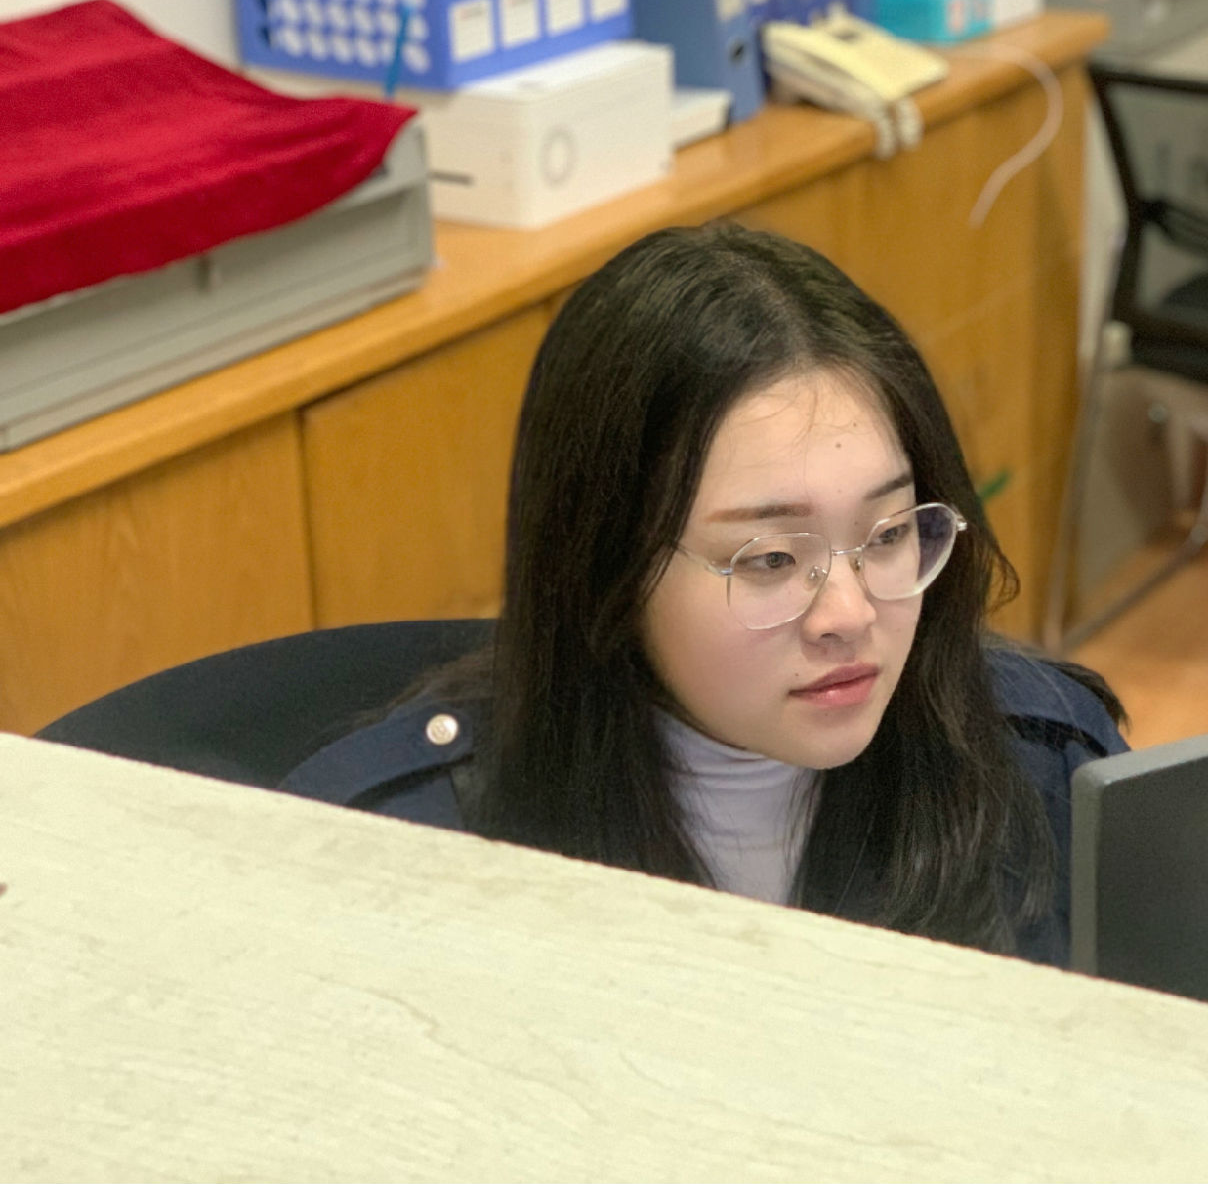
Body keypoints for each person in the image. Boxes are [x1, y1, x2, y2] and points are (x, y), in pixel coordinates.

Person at [282, 222, 1126, 965]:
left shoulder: (1043, 766)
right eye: (770, 560)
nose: (849, 616)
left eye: (888, 535)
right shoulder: (392, 851)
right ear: (609, 569)